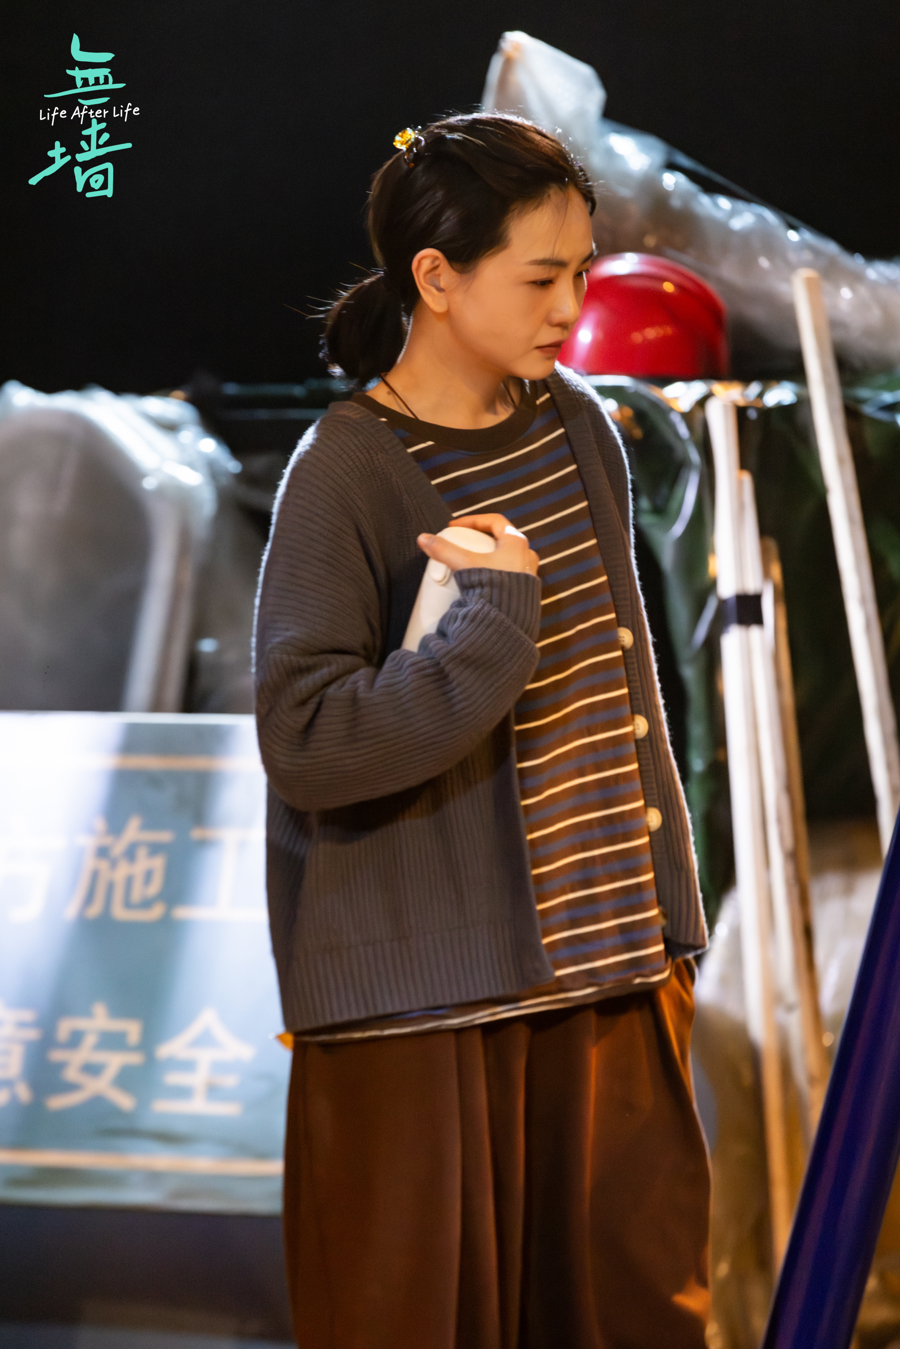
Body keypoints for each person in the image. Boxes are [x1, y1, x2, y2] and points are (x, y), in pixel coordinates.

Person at [254, 112, 710, 1349]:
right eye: (540, 276)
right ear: (437, 278)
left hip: (612, 974)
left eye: (583, 271)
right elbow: (306, 742)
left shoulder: (579, 428)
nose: (572, 306)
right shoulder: (347, 468)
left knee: (636, 1313)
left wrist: (669, 918)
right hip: (428, 1007)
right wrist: (492, 623)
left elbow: (617, 693)